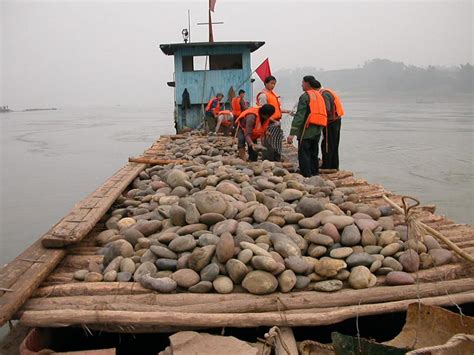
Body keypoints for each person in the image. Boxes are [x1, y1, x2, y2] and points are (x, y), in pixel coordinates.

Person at [287, 76, 328, 177]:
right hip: (318, 129)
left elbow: (300, 116)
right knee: (314, 152)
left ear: (307, 83)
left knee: (304, 153)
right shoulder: (319, 95)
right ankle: (314, 172)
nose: (301, 84)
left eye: (302, 82)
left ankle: (306, 174)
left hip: (307, 130)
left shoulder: (305, 96)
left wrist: (292, 133)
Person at [256, 76, 291, 161]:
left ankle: (277, 158)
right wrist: (272, 121)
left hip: (276, 122)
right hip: (269, 123)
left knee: (277, 142)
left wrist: (287, 111)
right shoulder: (263, 95)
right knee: (269, 142)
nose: (273, 85)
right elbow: (262, 112)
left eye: (274, 83)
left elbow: (276, 110)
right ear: (266, 83)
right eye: (271, 83)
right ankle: (268, 159)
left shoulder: (273, 94)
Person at [320, 86, 345, 170]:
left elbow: (327, 109)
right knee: (334, 144)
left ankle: (327, 166)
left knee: (327, 144)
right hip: (336, 121)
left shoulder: (324, 94)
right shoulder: (328, 92)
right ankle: (334, 166)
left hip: (330, 123)